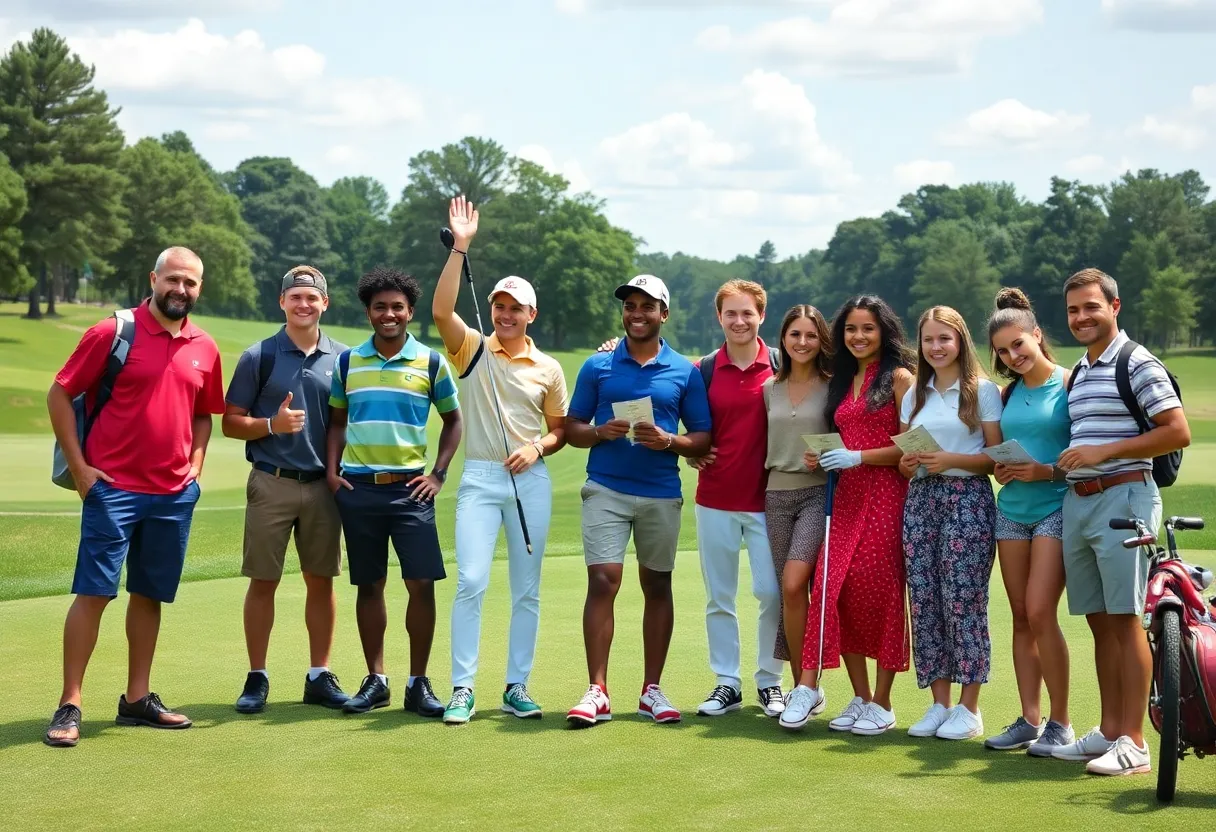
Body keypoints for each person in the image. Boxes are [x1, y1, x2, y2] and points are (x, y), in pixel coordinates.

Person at [43, 247, 225, 747]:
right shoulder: (112, 332)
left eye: (190, 283)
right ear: (154, 278)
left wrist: (196, 468)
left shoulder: (205, 347)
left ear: (199, 288)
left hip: (171, 494)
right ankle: (71, 702)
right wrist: (80, 469)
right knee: (96, 592)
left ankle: (137, 699)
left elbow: (205, 413)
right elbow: (59, 393)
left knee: (149, 594)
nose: (180, 290)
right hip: (112, 489)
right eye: (173, 280)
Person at [432, 196, 569, 724]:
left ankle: (516, 686)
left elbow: (558, 431)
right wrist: (460, 248)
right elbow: (443, 310)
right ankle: (462, 688)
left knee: (526, 589)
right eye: (499, 306)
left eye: (515, 307)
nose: (505, 314)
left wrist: (537, 446)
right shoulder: (471, 349)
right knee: (471, 580)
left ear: (531, 314)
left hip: (529, 479)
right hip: (481, 480)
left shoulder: (548, 367)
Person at [1051, 268, 1190, 776]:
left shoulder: (1136, 362)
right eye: (1073, 310)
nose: (1081, 317)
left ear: (1115, 306)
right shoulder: (1082, 370)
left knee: (1126, 619)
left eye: (1091, 306)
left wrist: (1102, 452)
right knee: (1100, 621)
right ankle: (1110, 731)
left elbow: (1176, 432)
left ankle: (1135, 740)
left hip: (1125, 496)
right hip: (1081, 501)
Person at [563, 275, 712, 726]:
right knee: (604, 580)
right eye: (630, 305)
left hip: (661, 493)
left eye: (647, 306)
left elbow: (703, 437)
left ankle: (652, 690)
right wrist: (598, 432)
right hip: (606, 486)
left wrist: (669, 440)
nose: (637, 313)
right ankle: (598, 690)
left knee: (657, 585)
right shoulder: (598, 365)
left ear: (663, 314)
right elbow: (572, 428)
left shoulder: (684, 371)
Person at [326, 266, 463, 719]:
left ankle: (417, 683)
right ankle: (376, 679)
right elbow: (338, 422)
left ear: (410, 312)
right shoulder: (348, 362)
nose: (389, 314)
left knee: (421, 583)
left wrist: (439, 474)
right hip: (359, 489)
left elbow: (453, 419)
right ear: (368, 312)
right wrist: (332, 472)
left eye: (397, 307)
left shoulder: (430, 361)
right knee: (370, 584)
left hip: (411, 492)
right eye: (380, 307)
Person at [222, 265, 351, 714]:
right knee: (264, 581)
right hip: (271, 481)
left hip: (322, 487)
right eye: (295, 297)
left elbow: (348, 419)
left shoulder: (344, 357)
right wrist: (270, 425)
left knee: (322, 581)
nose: (303, 304)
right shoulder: (260, 356)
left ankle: (319, 674)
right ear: (282, 302)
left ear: (325, 304)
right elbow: (230, 421)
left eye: (312, 298)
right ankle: (257, 676)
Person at [795, 295, 915, 736]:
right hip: (845, 496)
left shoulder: (901, 378)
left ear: (883, 330)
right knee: (833, 588)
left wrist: (857, 456)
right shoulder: (843, 378)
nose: (859, 336)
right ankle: (861, 695)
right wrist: (826, 458)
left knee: (880, 593)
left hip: (886, 493)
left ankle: (883, 702)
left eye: (867, 328)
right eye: (850, 329)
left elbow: (909, 446)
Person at [897, 307, 1003, 742]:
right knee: (924, 600)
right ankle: (939, 703)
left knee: (963, 600)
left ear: (960, 341)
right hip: (921, 500)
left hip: (968, 499)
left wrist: (950, 460)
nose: (936, 347)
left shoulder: (983, 391)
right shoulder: (914, 395)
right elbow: (905, 462)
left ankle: (969, 707)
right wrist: (908, 463)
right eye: (928, 340)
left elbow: (998, 459)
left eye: (945, 338)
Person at [686, 280, 785, 719]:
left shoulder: (784, 366)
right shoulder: (702, 369)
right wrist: (691, 449)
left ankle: (770, 681)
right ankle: (727, 681)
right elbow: (680, 417)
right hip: (715, 499)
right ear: (719, 317)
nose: (739, 321)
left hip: (771, 501)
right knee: (719, 597)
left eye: (748, 313)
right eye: (731, 313)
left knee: (772, 592)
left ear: (761, 315)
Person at [982, 288, 1075, 756]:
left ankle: (1062, 722)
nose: (1012, 355)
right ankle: (1030, 718)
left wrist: (1046, 471)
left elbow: (1084, 458)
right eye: (1002, 351)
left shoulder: (1071, 382)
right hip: (1011, 511)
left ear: (1037, 335)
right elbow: (997, 450)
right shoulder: (1007, 392)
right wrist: (1001, 467)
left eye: (1019, 344)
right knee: (1020, 617)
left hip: (1057, 507)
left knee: (1040, 611)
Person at [763, 306, 835, 730]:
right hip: (776, 495)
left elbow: (848, 434)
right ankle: (803, 688)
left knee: (795, 582)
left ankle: (805, 685)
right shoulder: (769, 388)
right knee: (788, 594)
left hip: (817, 494)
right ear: (784, 338)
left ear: (820, 339)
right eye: (795, 334)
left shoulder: (833, 386)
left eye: (810, 335)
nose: (802, 342)